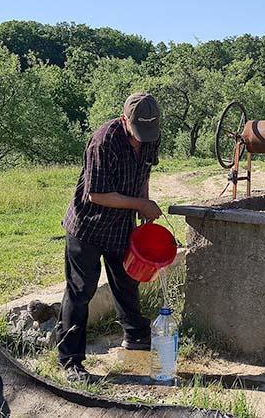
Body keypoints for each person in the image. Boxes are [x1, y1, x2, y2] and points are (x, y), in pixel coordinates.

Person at [56, 92, 163, 382]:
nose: (143, 139)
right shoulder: (103, 141)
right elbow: (97, 194)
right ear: (124, 117)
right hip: (88, 226)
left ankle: (136, 335)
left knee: (126, 279)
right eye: (138, 132)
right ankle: (70, 361)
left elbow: (145, 173)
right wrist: (140, 204)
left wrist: (145, 202)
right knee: (81, 291)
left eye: (148, 134)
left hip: (120, 225)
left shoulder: (151, 135)